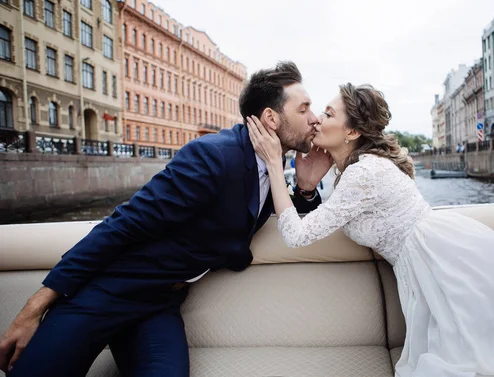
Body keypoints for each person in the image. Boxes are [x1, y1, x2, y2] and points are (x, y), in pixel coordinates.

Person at [0, 61, 332, 377]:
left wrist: (305, 188)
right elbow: (123, 224)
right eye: (304, 109)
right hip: (110, 290)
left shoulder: (269, 167)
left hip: (159, 304)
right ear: (271, 119)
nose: (314, 119)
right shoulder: (213, 156)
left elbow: (296, 227)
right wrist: (32, 309)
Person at [246, 83, 494, 377]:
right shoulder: (352, 170)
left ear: (352, 131)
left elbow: (295, 235)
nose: (317, 120)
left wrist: (276, 167)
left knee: (490, 355)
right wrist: (307, 186)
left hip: (442, 262)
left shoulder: (362, 173)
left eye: (328, 114)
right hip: (431, 258)